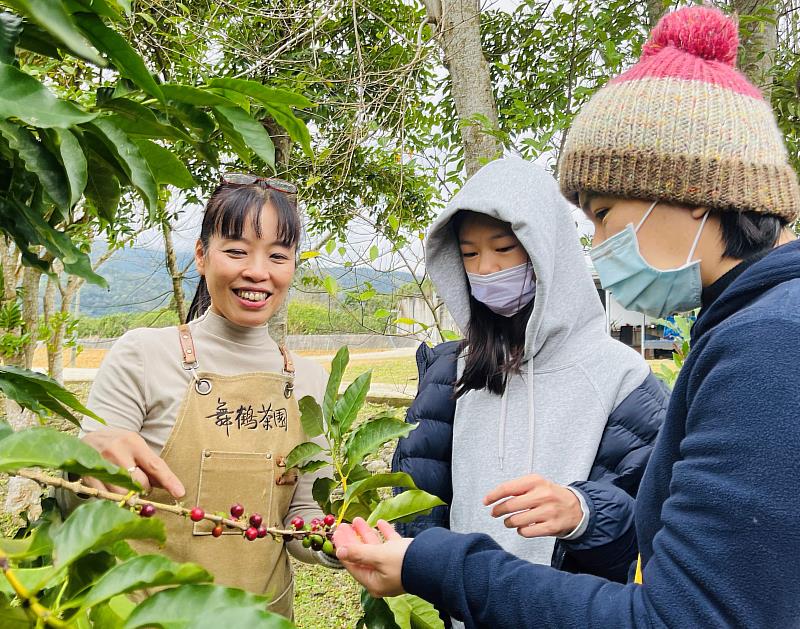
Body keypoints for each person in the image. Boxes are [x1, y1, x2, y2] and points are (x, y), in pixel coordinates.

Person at [334, 6, 800, 628]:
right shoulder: (752, 326)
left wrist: (448, 563)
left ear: (692, 194)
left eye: (604, 212)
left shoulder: (768, 344)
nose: (601, 242)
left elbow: (682, 615)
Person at [391, 154, 669, 599]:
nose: (486, 269)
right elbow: (414, 511)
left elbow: (651, 530)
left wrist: (584, 514)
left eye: (504, 249)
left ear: (546, 250)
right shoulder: (451, 374)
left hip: (567, 611)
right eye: (468, 255)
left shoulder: (622, 378)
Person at [65, 174, 338, 619]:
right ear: (201, 255)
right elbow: (78, 498)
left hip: (261, 619)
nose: (257, 271)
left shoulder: (308, 381)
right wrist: (84, 460)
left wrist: (335, 543)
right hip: (142, 617)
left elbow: (302, 514)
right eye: (236, 251)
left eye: (277, 255)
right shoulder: (143, 354)